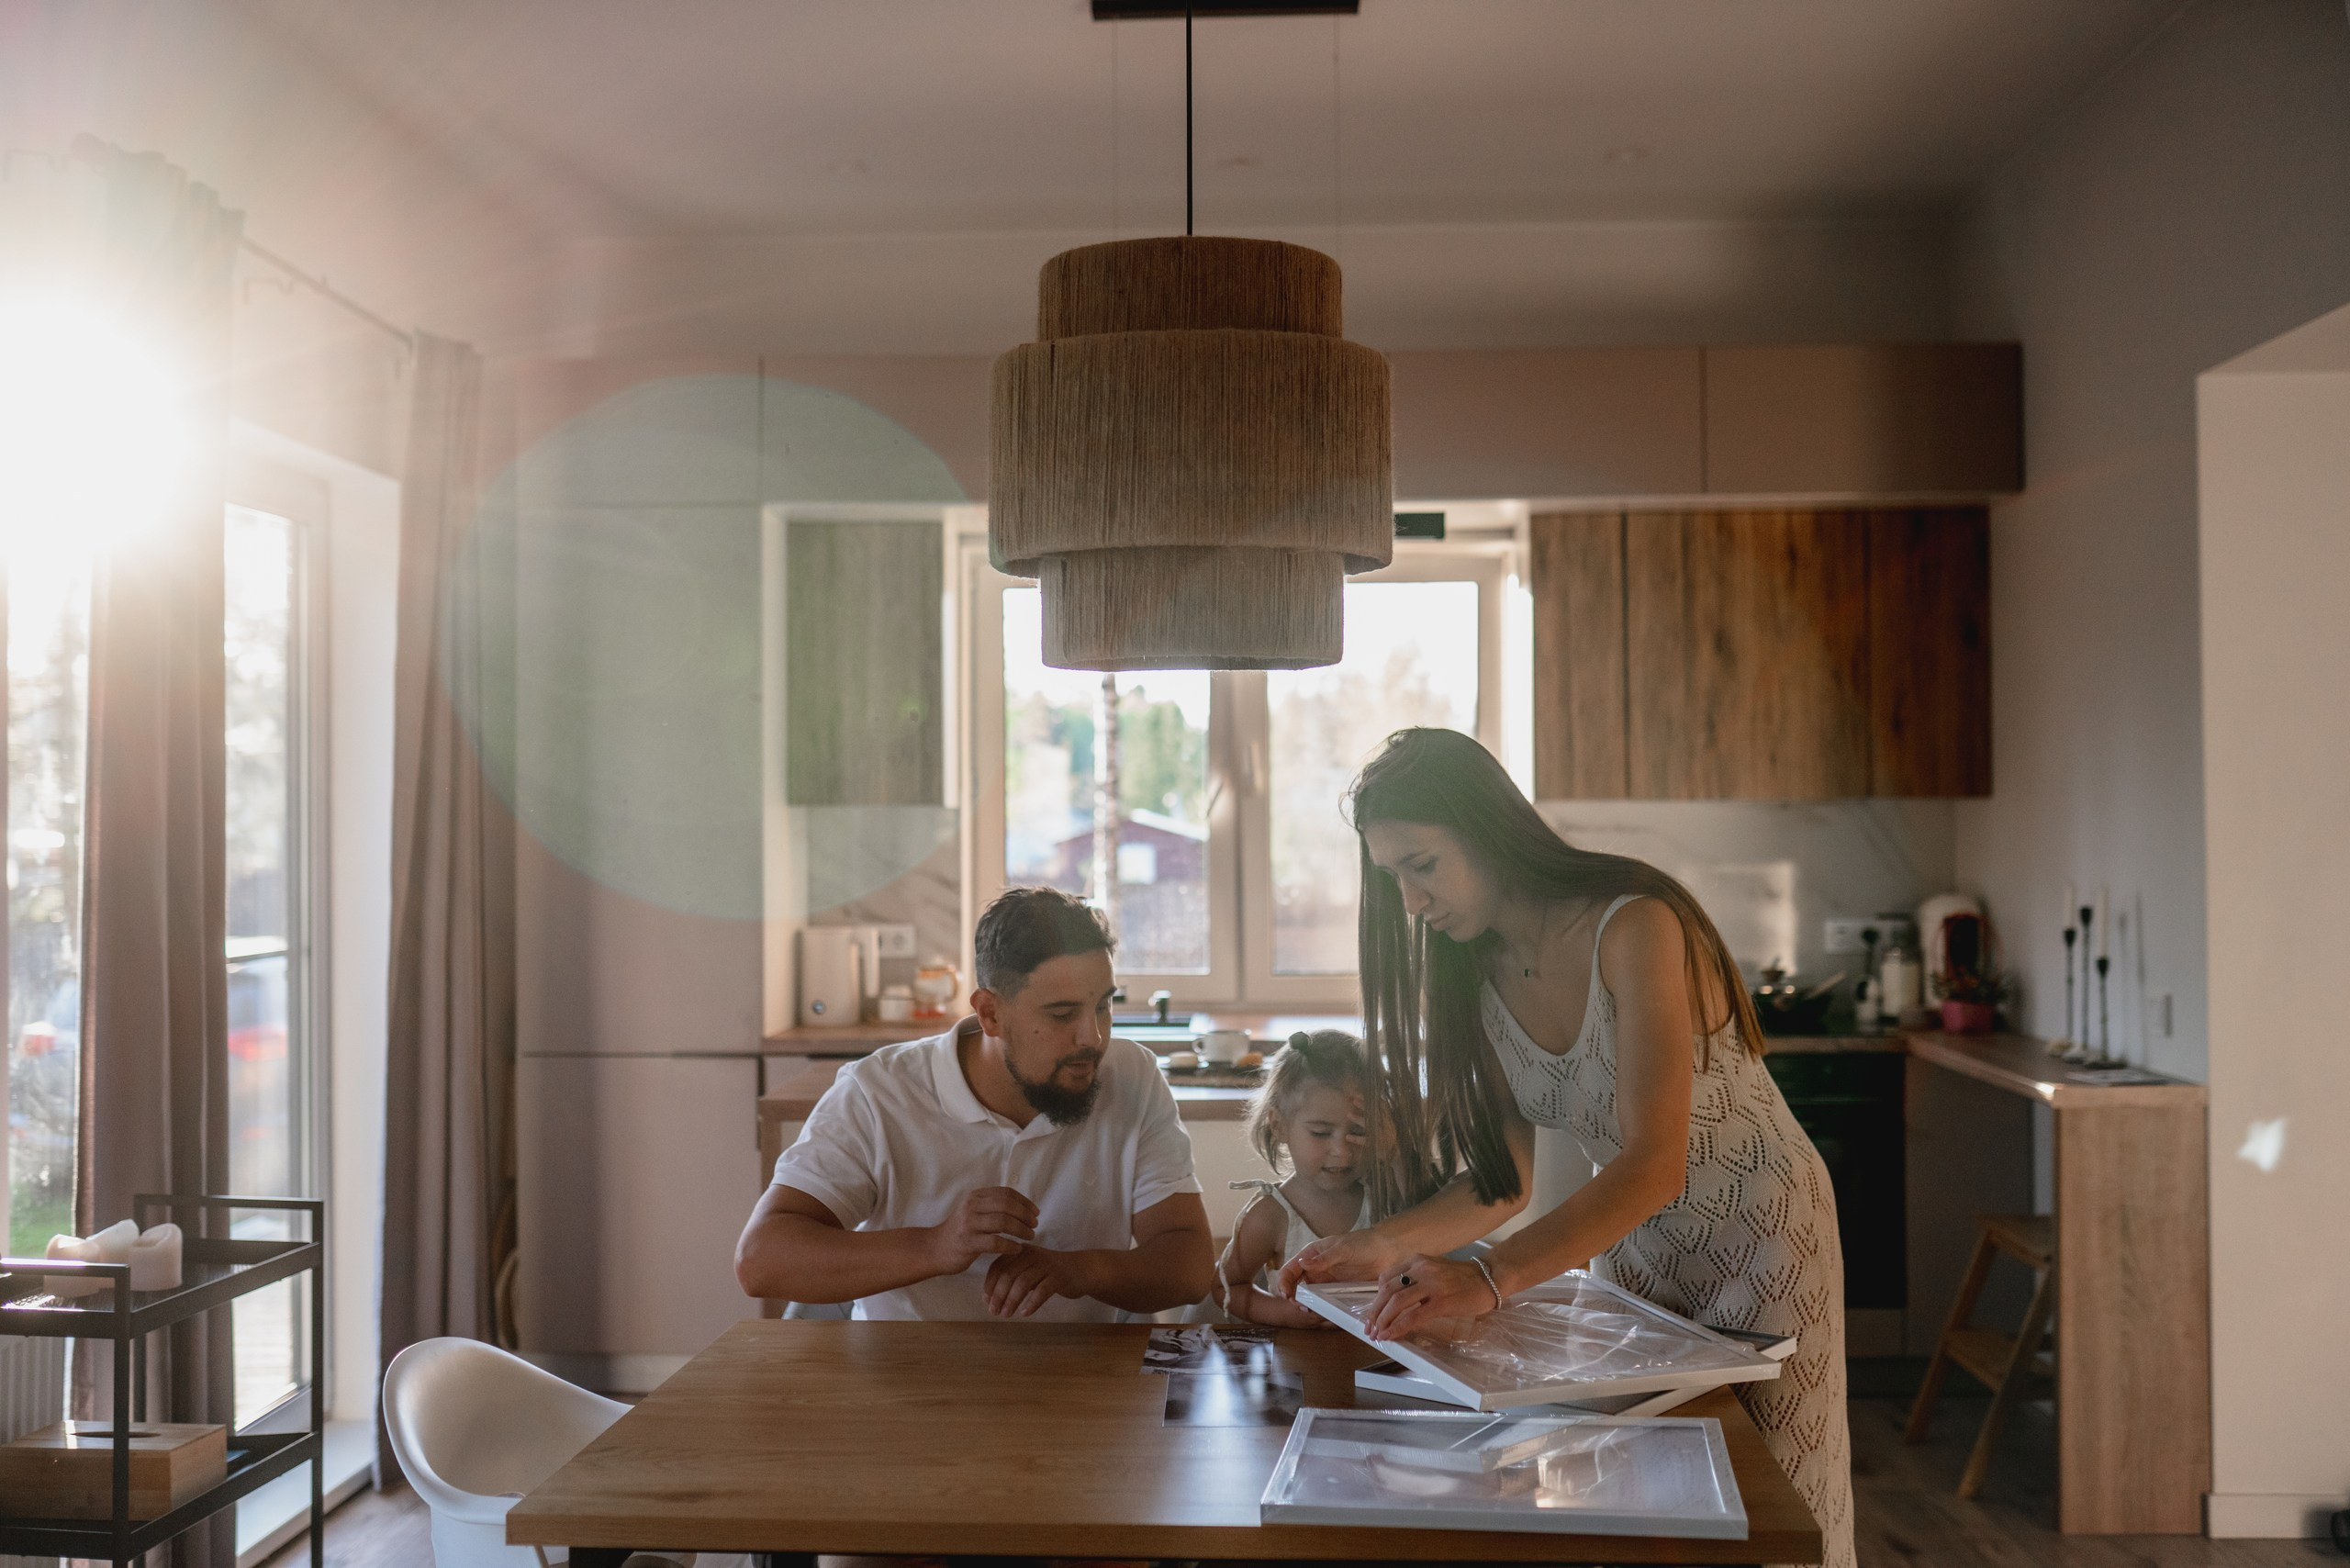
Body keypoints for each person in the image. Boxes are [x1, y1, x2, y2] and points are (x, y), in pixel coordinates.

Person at [1278, 727, 1855, 1568]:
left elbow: (1656, 1162)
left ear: (1486, 830)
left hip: (1763, 1236)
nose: (1411, 902)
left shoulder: (1636, 925)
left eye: (1423, 865)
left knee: (1774, 1504)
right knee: (1633, 1495)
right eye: (1393, 877)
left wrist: (1486, 1278)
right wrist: (1373, 1245)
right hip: (1627, 1243)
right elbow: (1504, 1183)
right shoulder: (1472, 972)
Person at [735, 887, 1215, 1321]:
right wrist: (933, 1245)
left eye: (1104, 1006)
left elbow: (1190, 1268)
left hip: (1077, 1380)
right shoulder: (878, 1093)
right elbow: (761, 1260)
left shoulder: (1131, 1076)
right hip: (905, 1381)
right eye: (1062, 1013)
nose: (1092, 1037)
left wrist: (1081, 1270)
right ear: (989, 1013)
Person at [1213, 1030, 1371, 1327]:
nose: (1341, 1150)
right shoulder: (1270, 1216)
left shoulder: (1388, 1201)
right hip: (1296, 1365)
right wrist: (1285, 1315)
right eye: (1321, 1133)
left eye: (1358, 1131)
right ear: (1279, 1125)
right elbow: (1224, 1287)